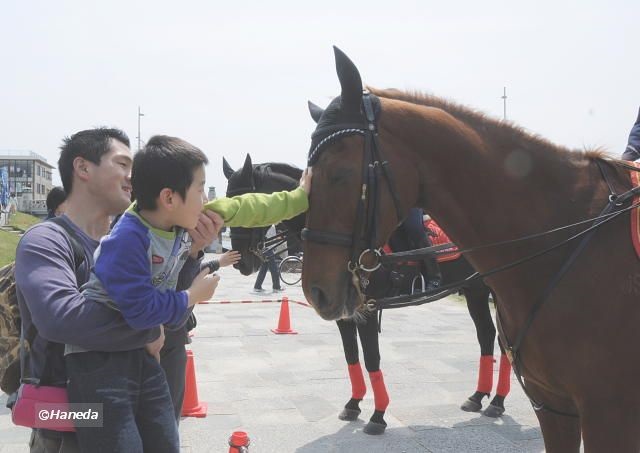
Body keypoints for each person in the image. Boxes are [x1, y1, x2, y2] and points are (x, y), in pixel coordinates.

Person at [253, 225, 284, 293]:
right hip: (268, 249)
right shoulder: (270, 225)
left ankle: (257, 286)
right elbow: (270, 238)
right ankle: (276, 287)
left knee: (263, 269)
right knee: (274, 269)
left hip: (266, 249)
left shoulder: (270, 225)